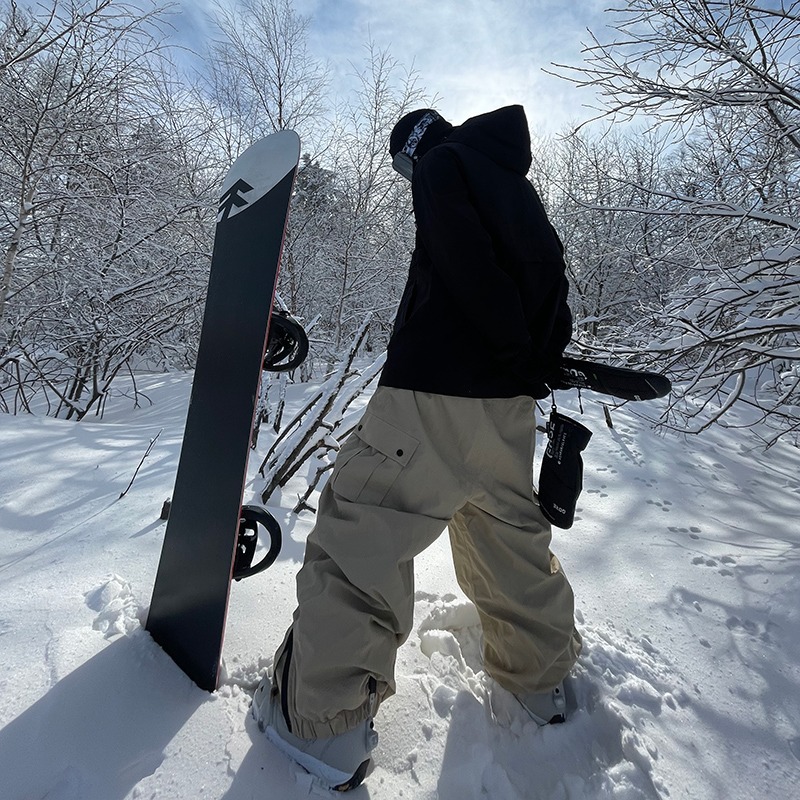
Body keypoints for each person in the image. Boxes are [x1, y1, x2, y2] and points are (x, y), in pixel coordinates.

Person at [252, 104, 582, 791]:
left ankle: (324, 725)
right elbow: (553, 281)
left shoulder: (442, 163)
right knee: (506, 537)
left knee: (362, 533)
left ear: (414, 145)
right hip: (508, 409)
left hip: (433, 393)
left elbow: (461, 254)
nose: (406, 176)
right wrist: (531, 361)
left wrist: (501, 346)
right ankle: (540, 684)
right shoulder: (514, 186)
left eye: (402, 162)